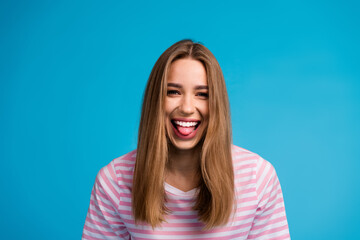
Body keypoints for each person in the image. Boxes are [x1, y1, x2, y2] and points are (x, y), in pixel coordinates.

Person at [82, 40, 290, 239]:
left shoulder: (257, 177)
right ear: (155, 100)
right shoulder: (115, 181)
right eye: (173, 92)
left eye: (202, 94)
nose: (187, 108)